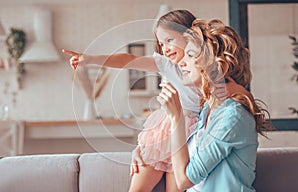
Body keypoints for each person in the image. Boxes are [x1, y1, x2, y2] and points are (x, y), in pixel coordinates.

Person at [63, 10, 248, 192]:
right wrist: (91, 59)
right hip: (164, 130)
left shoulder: (206, 76)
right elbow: (129, 60)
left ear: (192, 37)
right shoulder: (166, 65)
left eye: (170, 40)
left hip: (188, 134)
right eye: (161, 43)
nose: (165, 48)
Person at [157, 18, 270, 191]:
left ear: (215, 66)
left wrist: (176, 117)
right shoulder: (208, 110)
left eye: (191, 55)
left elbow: (184, 181)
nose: (181, 62)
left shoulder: (232, 116)